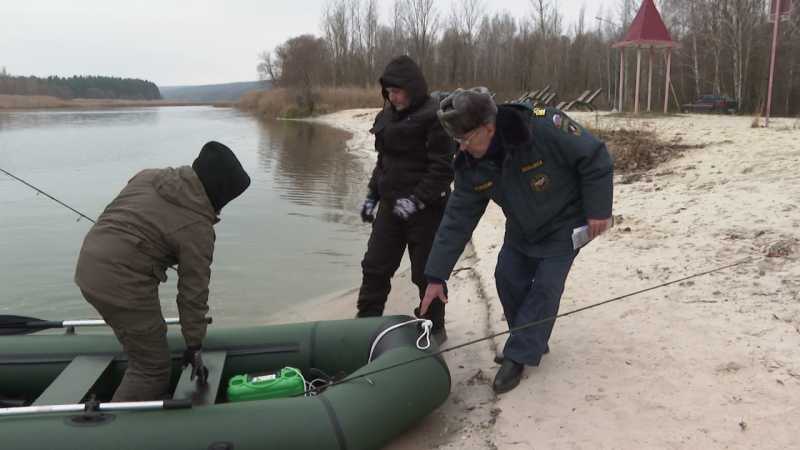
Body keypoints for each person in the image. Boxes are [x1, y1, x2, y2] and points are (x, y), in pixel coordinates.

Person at [419, 88, 614, 393]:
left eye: (467, 139)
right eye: (458, 142)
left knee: (546, 287)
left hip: (566, 222)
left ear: (488, 126)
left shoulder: (543, 127)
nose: (463, 148)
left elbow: (595, 156)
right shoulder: (471, 164)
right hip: (523, 227)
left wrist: (599, 209)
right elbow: (457, 220)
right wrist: (436, 275)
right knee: (507, 277)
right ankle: (530, 339)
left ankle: (518, 356)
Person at [74, 141, 251, 402]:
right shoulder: (198, 228)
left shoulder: (149, 175)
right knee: (153, 369)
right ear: (219, 192)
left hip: (89, 263)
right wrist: (194, 345)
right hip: (120, 283)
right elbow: (193, 293)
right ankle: (113, 432)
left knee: (144, 340)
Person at [356, 55, 456, 340]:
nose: (392, 96)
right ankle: (364, 323)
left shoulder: (435, 117)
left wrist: (416, 200)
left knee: (426, 273)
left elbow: (443, 169)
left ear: (412, 88)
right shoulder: (385, 116)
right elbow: (383, 163)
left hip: (427, 210)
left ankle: (433, 326)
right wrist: (371, 197)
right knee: (374, 266)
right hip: (390, 207)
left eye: (397, 91)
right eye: (388, 92)